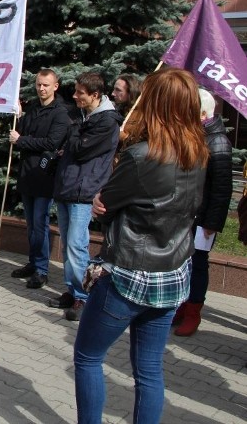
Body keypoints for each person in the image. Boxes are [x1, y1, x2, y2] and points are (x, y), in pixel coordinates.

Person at [74, 68, 208, 424]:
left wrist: (103, 200)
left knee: (88, 357)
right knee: (149, 370)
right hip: (172, 274)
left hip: (128, 276)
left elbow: (106, 205)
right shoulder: (198, 154)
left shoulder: (143, 156)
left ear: (155, 103)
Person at [49, 72, 121, 321]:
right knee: (68, 244)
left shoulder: (106, 122)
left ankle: (85, 297)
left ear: (95, 95)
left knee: (77, 246)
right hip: (68, 187)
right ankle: (72, 289)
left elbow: (80, 149)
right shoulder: (81, 116)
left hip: (84, 190)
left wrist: (75, 130)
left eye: (80, 92)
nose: (75, 96)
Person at [172, 88, 232, 336]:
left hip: (204, 218)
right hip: (187, 213)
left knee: (197, 264)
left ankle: (193, 312)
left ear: (203, 113)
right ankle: (182, 305)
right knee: (183, 262)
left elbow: (221, 189)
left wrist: (212, 223)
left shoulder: (217, 141)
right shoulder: (195, 136)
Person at [9, 69, 70, 289]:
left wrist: (22, 141)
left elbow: (51, 143)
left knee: (40, 225)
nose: (41, 89)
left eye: (45, 85)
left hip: (44, 176)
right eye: (38, 85)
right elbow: (20, 133)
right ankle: (33, 263)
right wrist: (19, 115)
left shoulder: (60, 114)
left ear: (55, 86)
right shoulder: (34, 109)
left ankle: (42, 270)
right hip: (27, 175)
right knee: (30, 225)